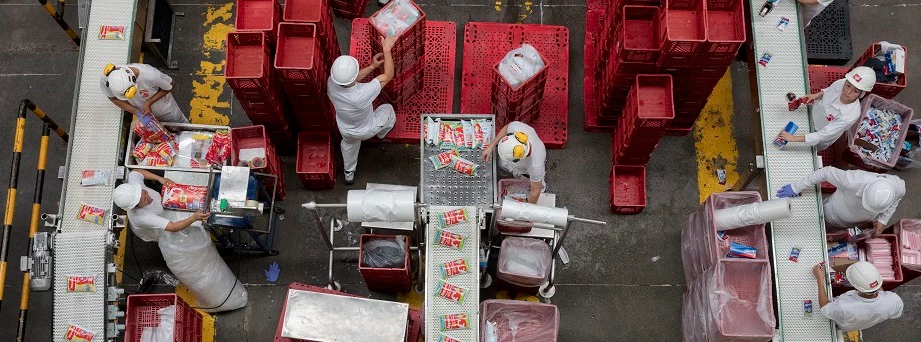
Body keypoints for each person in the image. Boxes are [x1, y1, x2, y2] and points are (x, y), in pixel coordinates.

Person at [327, 36, 399, 185]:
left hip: (345, 128)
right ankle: (381, 133)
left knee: (349, 146)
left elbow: (350, 81)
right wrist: (386, 49)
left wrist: (372, 67)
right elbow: (388, 75)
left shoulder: (331, 84)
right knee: (388, 109)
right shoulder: (362, 94)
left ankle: (349, 173)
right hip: (367, 129)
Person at [776, 166, 904, 234]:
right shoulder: (852, 181)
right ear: (865, 190)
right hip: (833, 211)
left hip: (854, 222)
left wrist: (883, 219)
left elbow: (895, 202)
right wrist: (796, 187)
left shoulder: (898, 187)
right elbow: (825, 172)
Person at [779, 67, 875, 151]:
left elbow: (823, 134)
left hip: (818, 133)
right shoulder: (842, 83)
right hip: (813, 113)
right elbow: (828, 91)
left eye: (855, 91)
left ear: (861, 94)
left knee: (808, 150)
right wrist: (816, 95)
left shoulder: (851, 115)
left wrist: (793, 139)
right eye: (848, 86)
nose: (848, 91)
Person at [113, 169, 210, 242]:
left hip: (161, 205)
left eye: (145, 192)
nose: (149, 196)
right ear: (136, 207)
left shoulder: (135, 189)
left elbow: (135, 172)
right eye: (145, 199)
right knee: (166, 236)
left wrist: (160, 179)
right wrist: (194, 218)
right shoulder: (143, 217)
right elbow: (172, 227)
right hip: (152, 228)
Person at [811, 261, 903, 332]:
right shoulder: (894, 300)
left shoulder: (844, 306)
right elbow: (895, 314)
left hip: (842, 323)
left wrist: (819, 280)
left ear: (853, 285)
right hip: (861, 324)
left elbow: (824, 308)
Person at [482, 121, 547, 204]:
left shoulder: (535, 166)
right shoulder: (519, 128)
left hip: (524, 173)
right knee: (501, 164)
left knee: (533, 186)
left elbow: (535, 192)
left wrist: (527, 210)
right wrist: (491, 146)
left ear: (518, 159)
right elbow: (506, 128)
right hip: (513, 165)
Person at [100, 63, 188, 123]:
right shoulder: (107, 79)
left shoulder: (151, 75)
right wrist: (137, 112)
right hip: (143, 113)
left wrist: (149, 103)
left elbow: (171, 84)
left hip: (165, 108)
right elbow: (113, 98)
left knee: (180, 123)